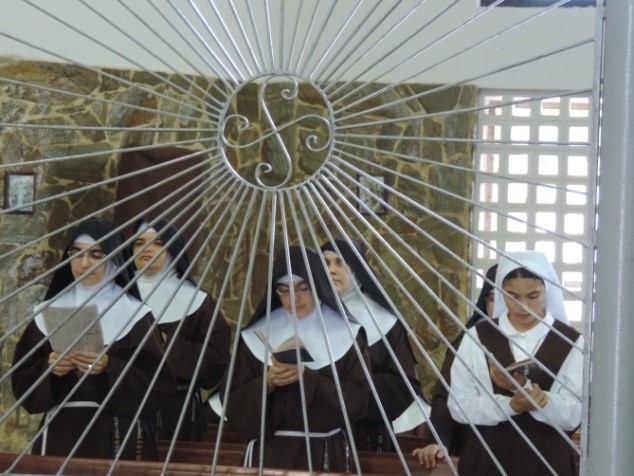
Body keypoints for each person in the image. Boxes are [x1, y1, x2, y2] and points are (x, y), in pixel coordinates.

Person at [11, 217, 177, 460]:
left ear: (114, 258)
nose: (84, 263)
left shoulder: (135, 314)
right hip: (60, 435)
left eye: (96, 255)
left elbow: (160, 385)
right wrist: (50, 369)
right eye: (77, 254)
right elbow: (21, 381)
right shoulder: (49, 312)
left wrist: (109, 367)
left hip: (118, 436)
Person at [221, 246, 371, 472]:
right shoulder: (256, 334)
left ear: (318, 284)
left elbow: (359, 400)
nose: (294, 298)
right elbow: (232, 402)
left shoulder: (348, 333)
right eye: (284, 290)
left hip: (323, 454)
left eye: (303, 288)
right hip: (268, 456)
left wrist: (307, 377)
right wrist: (267, 383)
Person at [447, 251, 583, 475]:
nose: (523, 306)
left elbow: (577, 413)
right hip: (487, 459)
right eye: (512, 296)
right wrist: (510, 406)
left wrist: (544, 402)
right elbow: (459, 406)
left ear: (547, 291)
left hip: (548, 461)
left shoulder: (571, 341)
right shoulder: (477, 337)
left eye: (533, 296)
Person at [130, 218, 231, 441]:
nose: (147, 249)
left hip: (177, 411)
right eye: (139, 243)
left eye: (158, 243)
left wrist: (169, 345)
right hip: (125, 406)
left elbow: (217, 360)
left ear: (173, 249)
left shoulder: (198, 302)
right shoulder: (116, 297)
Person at [320, 238, 420, 452]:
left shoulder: (383, 320)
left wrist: (350, 391)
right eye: (325, 263)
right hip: (318, 433)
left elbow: (403, 384)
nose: (331, 270)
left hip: (367, 432)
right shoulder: (309, 315)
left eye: (340, 262)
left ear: (357, 270)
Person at [413, 264, 498, 468]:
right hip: (477, 448)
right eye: (492, 299)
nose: (499, 307)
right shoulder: (469, 341)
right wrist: (438, 441)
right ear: (484, 302)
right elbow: (446, 395)